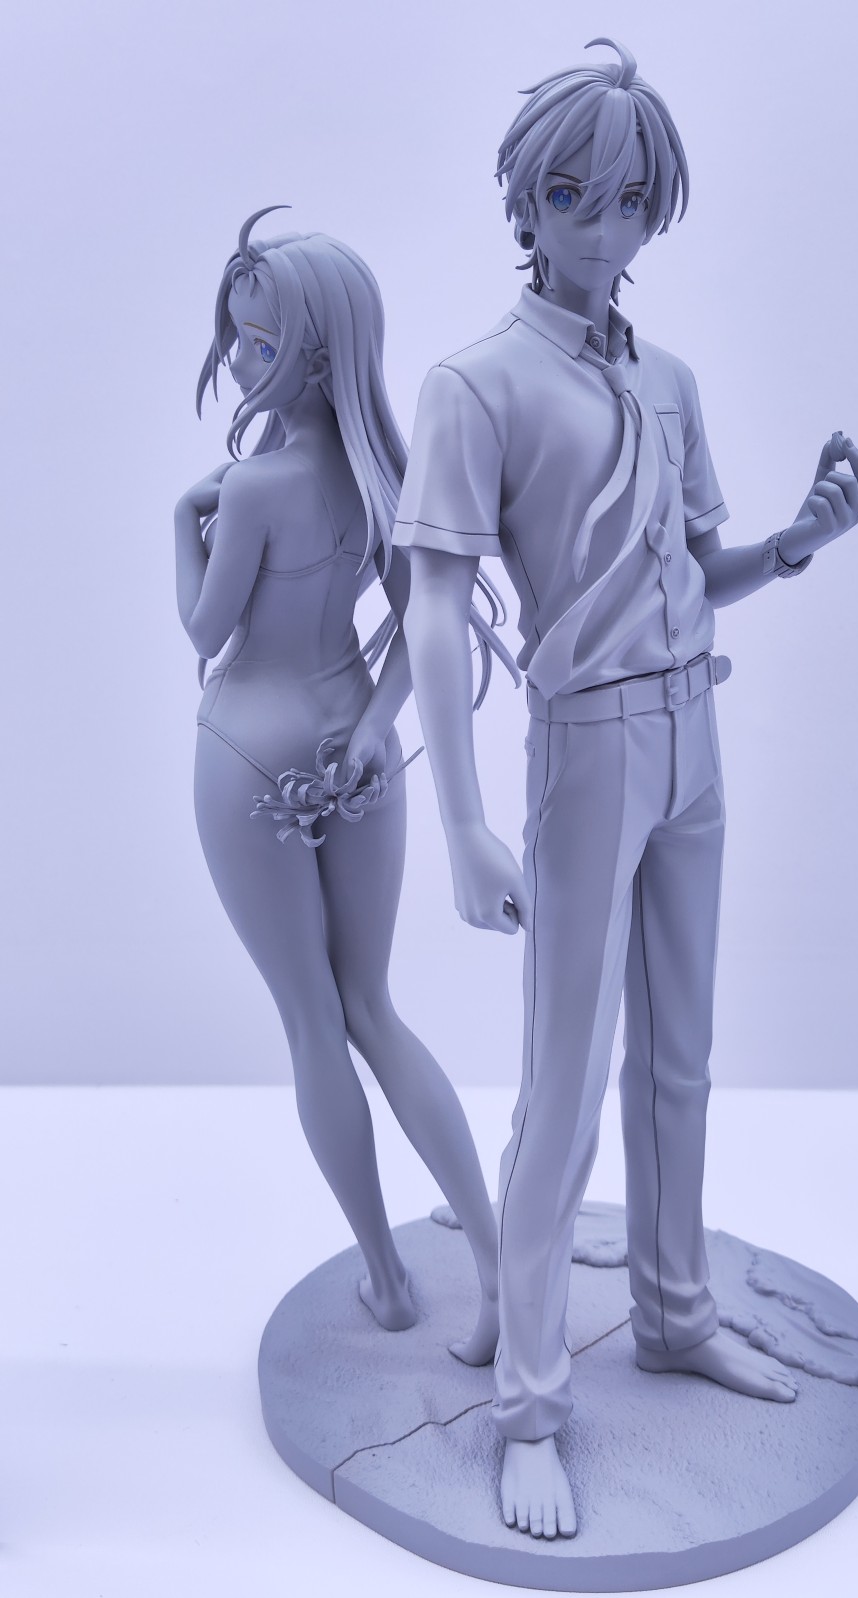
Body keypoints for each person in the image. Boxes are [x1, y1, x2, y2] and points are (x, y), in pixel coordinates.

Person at [397, 40, 858, 1538]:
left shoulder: (669, 381)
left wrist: (795, 543)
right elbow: (432, 600)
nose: (599, 228)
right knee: (563, 1086)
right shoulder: (475, 384)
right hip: (589, 745)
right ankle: (531, 1402)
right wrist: (461, 821)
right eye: (570, 196)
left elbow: (693, 568)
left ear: (656, 209)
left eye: (625, 202)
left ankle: (674, 1308)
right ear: (526, 201)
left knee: (681, 1057)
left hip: (692, 734)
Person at [174, 209, 507, 1364]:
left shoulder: (255, 487)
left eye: (260, 344)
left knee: (314, 1018)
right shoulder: (383, 476)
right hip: (352, 741)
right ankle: (499, 1255)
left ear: (317, 354)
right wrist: (373, 725)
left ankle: (389, 1279)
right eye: (237, 338)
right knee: (373, 1004)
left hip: (248, 749)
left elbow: (204, 628)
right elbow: (427, 623)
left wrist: (182, 522)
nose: (239, 361)